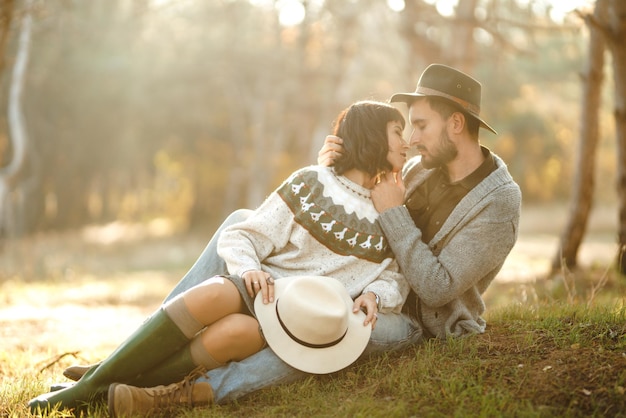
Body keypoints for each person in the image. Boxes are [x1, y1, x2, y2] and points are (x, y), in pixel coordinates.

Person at [61, 63, 522, 414]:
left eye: (419, 126)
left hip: (415, 317)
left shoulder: (498, 204)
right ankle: (126, 359)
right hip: (369, 281)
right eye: (407, 129)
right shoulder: (423, 166)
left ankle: (181, 394)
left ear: (456, 125)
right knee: (241, 220)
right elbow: (358, 199)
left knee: (320, 324)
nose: (414, 139)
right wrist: (331, 172)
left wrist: (394, 216)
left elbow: (437, 287)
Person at [29, 100, 417, 415]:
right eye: (398, 131)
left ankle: (110, 383)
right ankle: (92, 388)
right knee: (215, 292)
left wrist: (377, 295)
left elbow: (395, 274)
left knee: (238, 333)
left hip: (292, 321)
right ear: (370, 133)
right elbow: (245, 234)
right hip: (262, 287)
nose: (406, 142)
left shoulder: (391, 209)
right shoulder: (312, 182)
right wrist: (249, 268)